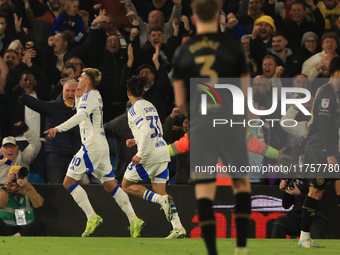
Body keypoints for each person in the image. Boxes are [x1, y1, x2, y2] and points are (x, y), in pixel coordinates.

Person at [172, 0, 251, 254]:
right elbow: (244, 93)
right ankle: (241, 249)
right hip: (230, 124)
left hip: (202, 127)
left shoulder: (183, 52)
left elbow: (181, 101)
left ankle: (212, 253)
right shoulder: (233, 46)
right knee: (241, 184)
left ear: (193, 18)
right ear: (219, 17)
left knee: (205, 190)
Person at [44, 68, 144, 238]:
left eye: (81, 76)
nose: (79, 78)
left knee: (68, 182)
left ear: (88, 81)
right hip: (99, 145)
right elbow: (82, 113)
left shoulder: (91, 95)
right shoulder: (89, 96)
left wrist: (58, 128)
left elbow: (80, 116)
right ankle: (134, 220)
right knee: (109, 184)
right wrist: (76, 96)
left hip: (91, 146)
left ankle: (92, 217)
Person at [121, 76, 186, 239]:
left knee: (126, 185)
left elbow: (147, 131)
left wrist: (140, 154)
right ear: (143, 92)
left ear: (128, 92)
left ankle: (159, 200)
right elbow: (155, 130)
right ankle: (178, 227)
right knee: (161, 192)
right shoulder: (150, 105)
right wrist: (135, 140)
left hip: (148, 155)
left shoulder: (134, 110)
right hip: (162, 151)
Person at [298, 56, 340, 248]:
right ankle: (304, 238)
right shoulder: (326, 93)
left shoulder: (336, 93)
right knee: (315, 192)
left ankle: (304, 238)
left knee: (320, 193)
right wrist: (330, 154)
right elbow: (323, 126)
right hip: (320, 150)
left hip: (329, 149)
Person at [0, 165, 45, 236]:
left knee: (41, 222)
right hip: (6, 227)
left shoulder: (28, 190)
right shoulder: (3, 189)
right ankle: (10, 236)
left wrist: (27, 186)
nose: (16, 179)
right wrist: (8, 185)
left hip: (23, 229)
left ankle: (16, 236)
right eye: (14, 175)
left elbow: (38, 203)